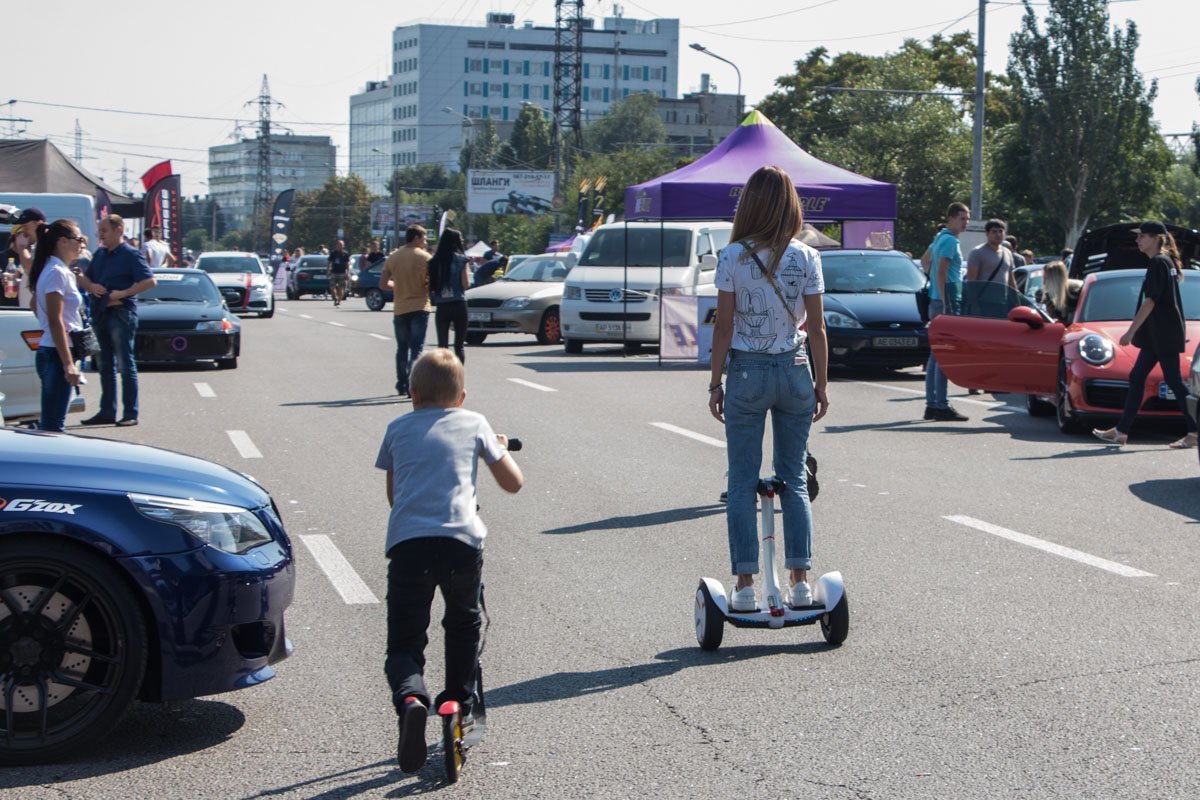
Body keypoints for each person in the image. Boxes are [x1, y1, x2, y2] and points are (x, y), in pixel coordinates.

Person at [375, 348, 523, 772]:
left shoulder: (396, 428)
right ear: (461, 396)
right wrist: (498, 449)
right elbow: (513, 484)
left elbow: (394, 496)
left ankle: (410, 698)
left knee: (404, 639)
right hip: (461, 543)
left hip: (408, 546)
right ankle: (455, 700)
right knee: (462, 625)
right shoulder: (475, 422)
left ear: (411, 392)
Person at [707, 165, 828, 612]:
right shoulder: (808, 256)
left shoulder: (732, 255)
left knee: (741, 480)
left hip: (746, 373)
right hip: (796, 369)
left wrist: (714, 381)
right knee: (794, 477)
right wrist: (822, 384)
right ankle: (799, 581)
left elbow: (723, 327)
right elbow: (816, 329)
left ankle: (743, 585)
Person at [1093, 221, 1196, 449]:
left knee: (1174, 382)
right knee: (1138, 377)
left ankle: (1195, 431)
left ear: (1156, 238)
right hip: (1157, 334)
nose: (1138, 240)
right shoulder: (1163, 262)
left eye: (1142, 236)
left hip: (1162, 333)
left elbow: (1151, 301)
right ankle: (1121, 431)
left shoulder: (1159, 262)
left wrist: (1131, 331)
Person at [77, 214, 156, 427]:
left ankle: (130, 412)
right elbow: (87, 278)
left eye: (104, 230)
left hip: (121, 313)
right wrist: (90, 286)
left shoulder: (131, 254)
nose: (100, 235)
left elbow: (149, 281)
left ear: (119, 230)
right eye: (99, 231)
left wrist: (122, 293)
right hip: (101, 313)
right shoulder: (100, 254)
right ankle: (107, 411)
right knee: (104, 364)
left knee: (125, 364)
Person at [28, 220, 86, 432]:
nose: (82, 244)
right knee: (53, 428)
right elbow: (55, 320)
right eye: (79, 239)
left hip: (53, 350)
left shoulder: (55, 269)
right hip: (56, 353)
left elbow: (34, 303)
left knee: (52, 424)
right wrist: (68, 363)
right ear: (62, 241)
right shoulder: (57, 272)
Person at [924, 202, 971, 421]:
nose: (966, 222)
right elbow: (942, 272)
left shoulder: (939, 238)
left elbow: (926, 262)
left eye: (967, 218)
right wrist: (945, 302)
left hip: (938, 298)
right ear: (951, 218)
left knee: (935, 354)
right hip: (947, 300)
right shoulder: (950, 241)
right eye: (962, 218)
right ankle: (940, 404)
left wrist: (934, 283)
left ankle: (933, 403)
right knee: (943, 354)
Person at [381, 225, 433, 397]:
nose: (425, 242)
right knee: (417, 348)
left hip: (400, 308)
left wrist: (398, 285)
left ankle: (401, 383)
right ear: (416, 238)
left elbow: (383, 284)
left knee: (402, 348)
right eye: (424, 239)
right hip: (420, 306)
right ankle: (413, 384)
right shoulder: (426, 257)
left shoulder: (393, 257)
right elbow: (431, 284)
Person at [428, 228, 471, 365]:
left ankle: (443, 379)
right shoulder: (462, 260)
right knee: (459, 346)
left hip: (442, 306)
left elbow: (431, 285)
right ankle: (458, 378)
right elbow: (466, 284)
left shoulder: (434, 261)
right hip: (459, 304)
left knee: (442, 347)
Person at [966, 219, 1018, 289]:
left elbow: (1011, 281)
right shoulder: (977, 252)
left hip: (1002, 299)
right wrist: (972, 299)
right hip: (983, 299)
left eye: (1000, 231)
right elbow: (971, 283)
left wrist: (1017, 298)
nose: (998, 234)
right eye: (994, 232)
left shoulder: (1007, 253)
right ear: (987, 233)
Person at [327, 239, 351, 306]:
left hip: (342, 273)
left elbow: (347, 264)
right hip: (334, 272)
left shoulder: (345, 254)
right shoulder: (333, 253)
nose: (339, 246)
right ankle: (335, 298)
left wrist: (347, 273)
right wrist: (328, 270)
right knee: (332, 287)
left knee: (341, 288)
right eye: (338, 244)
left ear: (343, 246)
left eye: (340, 244)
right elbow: (329, 262)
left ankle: (338, 301)